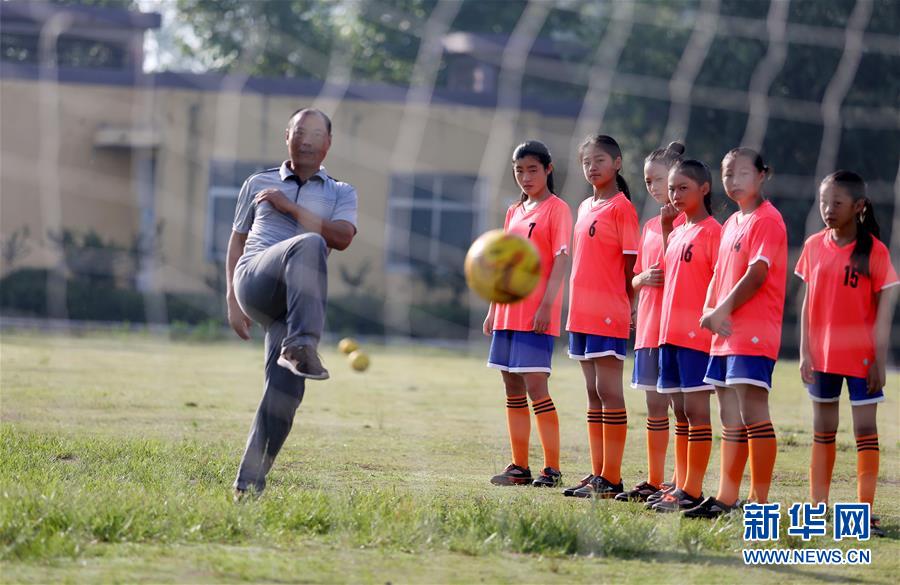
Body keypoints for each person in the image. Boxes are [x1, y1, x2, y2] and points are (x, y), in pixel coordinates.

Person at [225, 108, 358, 498]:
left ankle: (248, 487)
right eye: (300, 131)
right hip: (255, 280)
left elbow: (344, 237)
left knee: (286, 394)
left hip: (293, 304)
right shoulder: (257, 182)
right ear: (287, 136)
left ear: (328, 144)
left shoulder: (341, 192)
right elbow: (237, 240)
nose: (307, 139)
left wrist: (291, 209)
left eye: (316, 133)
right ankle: (304, 344)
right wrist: (232, 301)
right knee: (311, 242)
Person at [684, 148, 786, 519]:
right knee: (729, 418)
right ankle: (727, 499)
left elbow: (757, 275)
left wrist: (721, 310)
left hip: (753, 333)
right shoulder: (730, 225)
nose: (734, 181)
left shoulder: (768, 220)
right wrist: (707, 314)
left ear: (762, 175)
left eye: (742, 173)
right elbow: (718, 276)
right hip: (723, 335)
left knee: (754, 413)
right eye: (728, 174)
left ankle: (761, 504)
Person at [796, 170, 897, 537]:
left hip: (862, 360)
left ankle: (863, 510)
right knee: (823, 432)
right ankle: (817, 507)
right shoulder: (812, 246)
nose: (827, 209)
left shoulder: (875, 251)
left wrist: (879, 361)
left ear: (858, 207)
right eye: (824, 201)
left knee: (865, 432)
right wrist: (806, 352)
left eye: (836, 203)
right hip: (821, 358)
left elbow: (883, 313)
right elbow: (807, 304)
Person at [485, 140, 573, 488]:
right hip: (507, 311)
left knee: (537, 387)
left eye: (532, 169)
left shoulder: (557, 209)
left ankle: (551, 468)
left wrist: (547, 306)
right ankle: (519, 466)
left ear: (548, 170)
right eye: (519, 170)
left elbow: (562, 259)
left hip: (536, 313)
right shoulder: (514, 211)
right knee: (511, 386)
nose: (525, 176)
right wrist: (493, 308)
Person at [563, 135, 640, 499]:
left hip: (608, 313)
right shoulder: (583, 206)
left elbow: (630, 266)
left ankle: (612, 478)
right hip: (581, 312)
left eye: (599, 161)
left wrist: (629, 307)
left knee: (610, 392)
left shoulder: (622, 207)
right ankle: (597, 474)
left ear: (618, 163)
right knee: (593, 394)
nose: (592, 168)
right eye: (586, 162)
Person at [650, 160, 721, 513]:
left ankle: (692, 490)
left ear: (704, 188)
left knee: (696, 412)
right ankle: (678, 486)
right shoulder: (677, 230)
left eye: (683, 188)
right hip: (669, 334)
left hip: (697, 337)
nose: (675, 195)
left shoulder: (714, 232)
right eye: (673, 188)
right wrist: (666, 227)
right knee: (679, 412)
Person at [617, 141, 686, 503]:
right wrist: (641, 281)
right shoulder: (648, 226)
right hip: (648, 328)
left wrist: (667, 228)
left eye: (660, 180)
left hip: (677, 331)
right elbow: (636, 275)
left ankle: (680, 481)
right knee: (655, 408)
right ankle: (655, 479)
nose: (656, 189)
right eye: (648, 182)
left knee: (682, 409)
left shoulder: (696, 226)